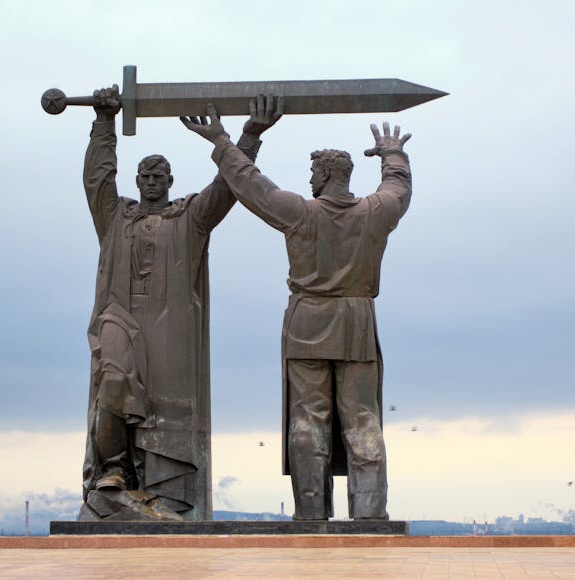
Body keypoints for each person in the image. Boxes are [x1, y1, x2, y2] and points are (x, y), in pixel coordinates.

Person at [182, 105, 411, 520]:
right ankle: (370, 516)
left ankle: (310, 515)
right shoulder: (376, 212)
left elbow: (251, 186)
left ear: (324, 176)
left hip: (308, 322)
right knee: (363, 422)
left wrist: (221, 141)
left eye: (313, 175)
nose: (309, 181)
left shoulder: (300, 212)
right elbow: (398, 189)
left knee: (308, 423)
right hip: (356, 322)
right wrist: (393, 154)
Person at [80, 88, 281, 521]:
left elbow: (228, 189)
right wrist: (103, 124)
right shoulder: (115, 217)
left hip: (170, 327)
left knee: (163, 409)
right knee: (112, 381)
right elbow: (97, 180)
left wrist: (247, 138)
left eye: (159, 176)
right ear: (136, 182)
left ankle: (159, 492)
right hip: (119, 316)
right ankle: (112, 472)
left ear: (170, 181)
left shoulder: (191, 216)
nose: (151, 182)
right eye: (145, 176)